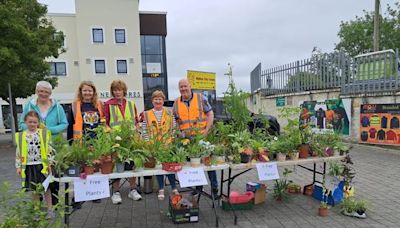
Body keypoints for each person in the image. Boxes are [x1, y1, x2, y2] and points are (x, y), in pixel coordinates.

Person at [19, 81, 68, 205]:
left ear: (50, 93)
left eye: (46, 92)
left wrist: (48, 131)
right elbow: (21, 124)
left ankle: (54, 203)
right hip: (34, 149)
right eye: (41, 91)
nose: (43, 94)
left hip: (54, 146)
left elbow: (64, 123)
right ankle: (39, 202)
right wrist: (35, 130)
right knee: (37, 176)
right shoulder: (29, 106)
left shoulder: (57, 107)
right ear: (36, 91)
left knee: (53, 176)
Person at [173, 79, 218, 197]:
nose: (183, 89)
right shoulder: (176, 103)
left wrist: (207, 130)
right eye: (181, 87)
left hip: (201, 137)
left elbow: (210, 114)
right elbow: (175, 120)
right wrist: (178, 132)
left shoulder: (201, 98)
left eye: (185, 86)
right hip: (187, 140)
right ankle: (198, 187)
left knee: (207, 162)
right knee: (193, 165)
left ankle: (214, 188)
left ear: (190, 86)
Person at [103, 80, 142, 204]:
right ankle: (116, 192)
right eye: (115, 90)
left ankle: (132, 189)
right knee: (117, 167)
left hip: (130, 140)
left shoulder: (131, 104)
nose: (117, 92)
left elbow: (136, 121)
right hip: (116, 141)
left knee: (131, 165)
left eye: (119, 89)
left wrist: (137, 128)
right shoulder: (108, 104)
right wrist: (111, 132)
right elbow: (104, 123)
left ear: (124, 90)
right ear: (112, 91)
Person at [67, 81, 103, 205]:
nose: (87, 93)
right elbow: (70, 126)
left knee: (93, 168)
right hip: (81, 143)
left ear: (93, 92)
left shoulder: (99, 105)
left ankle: (95, 194)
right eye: (85, 90)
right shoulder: (74, 106)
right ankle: (77, 197)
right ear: (81, 92)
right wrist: (71, 143)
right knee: (81, 170)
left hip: (96, 143)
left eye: (90, 90)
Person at [16, 111, 54, 218]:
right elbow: (18, 152)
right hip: (29, 166)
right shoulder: (21, 136)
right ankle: (37, 210)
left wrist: (50, 162)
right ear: (25, 122)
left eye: (34, 122)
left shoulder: (43, 134)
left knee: (46, 188)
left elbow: (49, 149)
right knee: (34, 190)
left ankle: (50, 209)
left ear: (38, 122)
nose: (32, 124)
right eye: (30, 122)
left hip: (42, 165)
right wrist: (18, 166)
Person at [142, 90, 178, 200]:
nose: (158, 101)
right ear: (152, 101)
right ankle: (161, 188)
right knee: (159, 168)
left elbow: (173, 128)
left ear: (163, 101)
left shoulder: (169, 113)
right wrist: (148, 143)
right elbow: (144, 130)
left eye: (160, 99)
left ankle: (173, 187)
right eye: (156, 99)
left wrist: (171, 140)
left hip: (167, 145)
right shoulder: (147, 114)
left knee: (170, 167)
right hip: (154, 146)